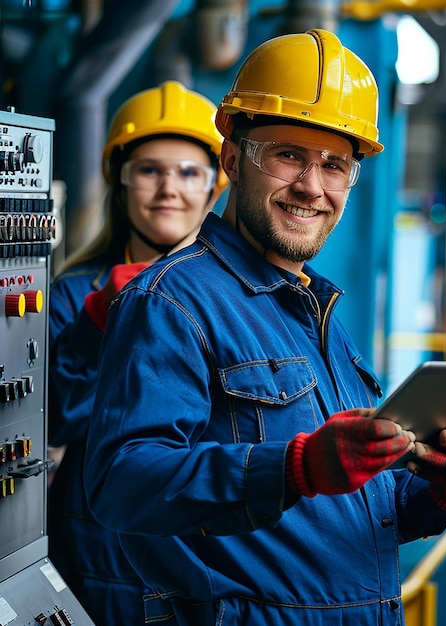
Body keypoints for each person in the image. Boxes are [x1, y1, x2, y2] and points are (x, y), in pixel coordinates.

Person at [83, 29, 446, 625]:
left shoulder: (318, 313)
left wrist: (441, 491)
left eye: (335, 165)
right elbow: (121, 483)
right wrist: (293, 466)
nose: (312, 186)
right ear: (231, 159)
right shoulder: (171, 303)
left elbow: (350, 520)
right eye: (288, 155)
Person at [47, 80, 226, 625]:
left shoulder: (236, 302)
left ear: (215, 187)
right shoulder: (73, 295)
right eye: (149, 169)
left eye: (189, 172)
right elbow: (53, 419)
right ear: (119, 181)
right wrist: (96, 325)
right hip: (97, 555)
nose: (168, 188)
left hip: (207, 556)